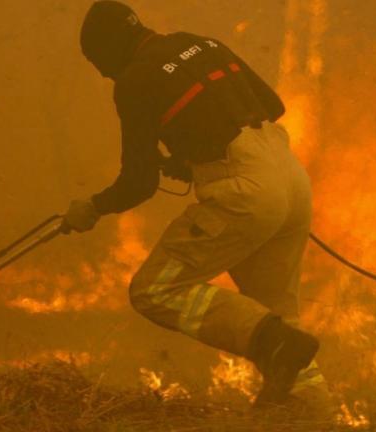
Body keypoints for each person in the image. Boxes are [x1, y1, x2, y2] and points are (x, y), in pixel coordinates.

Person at [62, 0, 327, 407]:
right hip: (291, 179)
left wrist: (93, 207)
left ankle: (272, 345)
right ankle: (309, 409)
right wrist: (194, 154)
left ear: (111, 46)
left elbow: (139, 182)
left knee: (155, 290)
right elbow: (273, 106)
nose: (102, 72)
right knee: (275, 313)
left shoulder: (133, 80)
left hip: (244, 192)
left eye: (97, 59)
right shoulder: (199, 43)